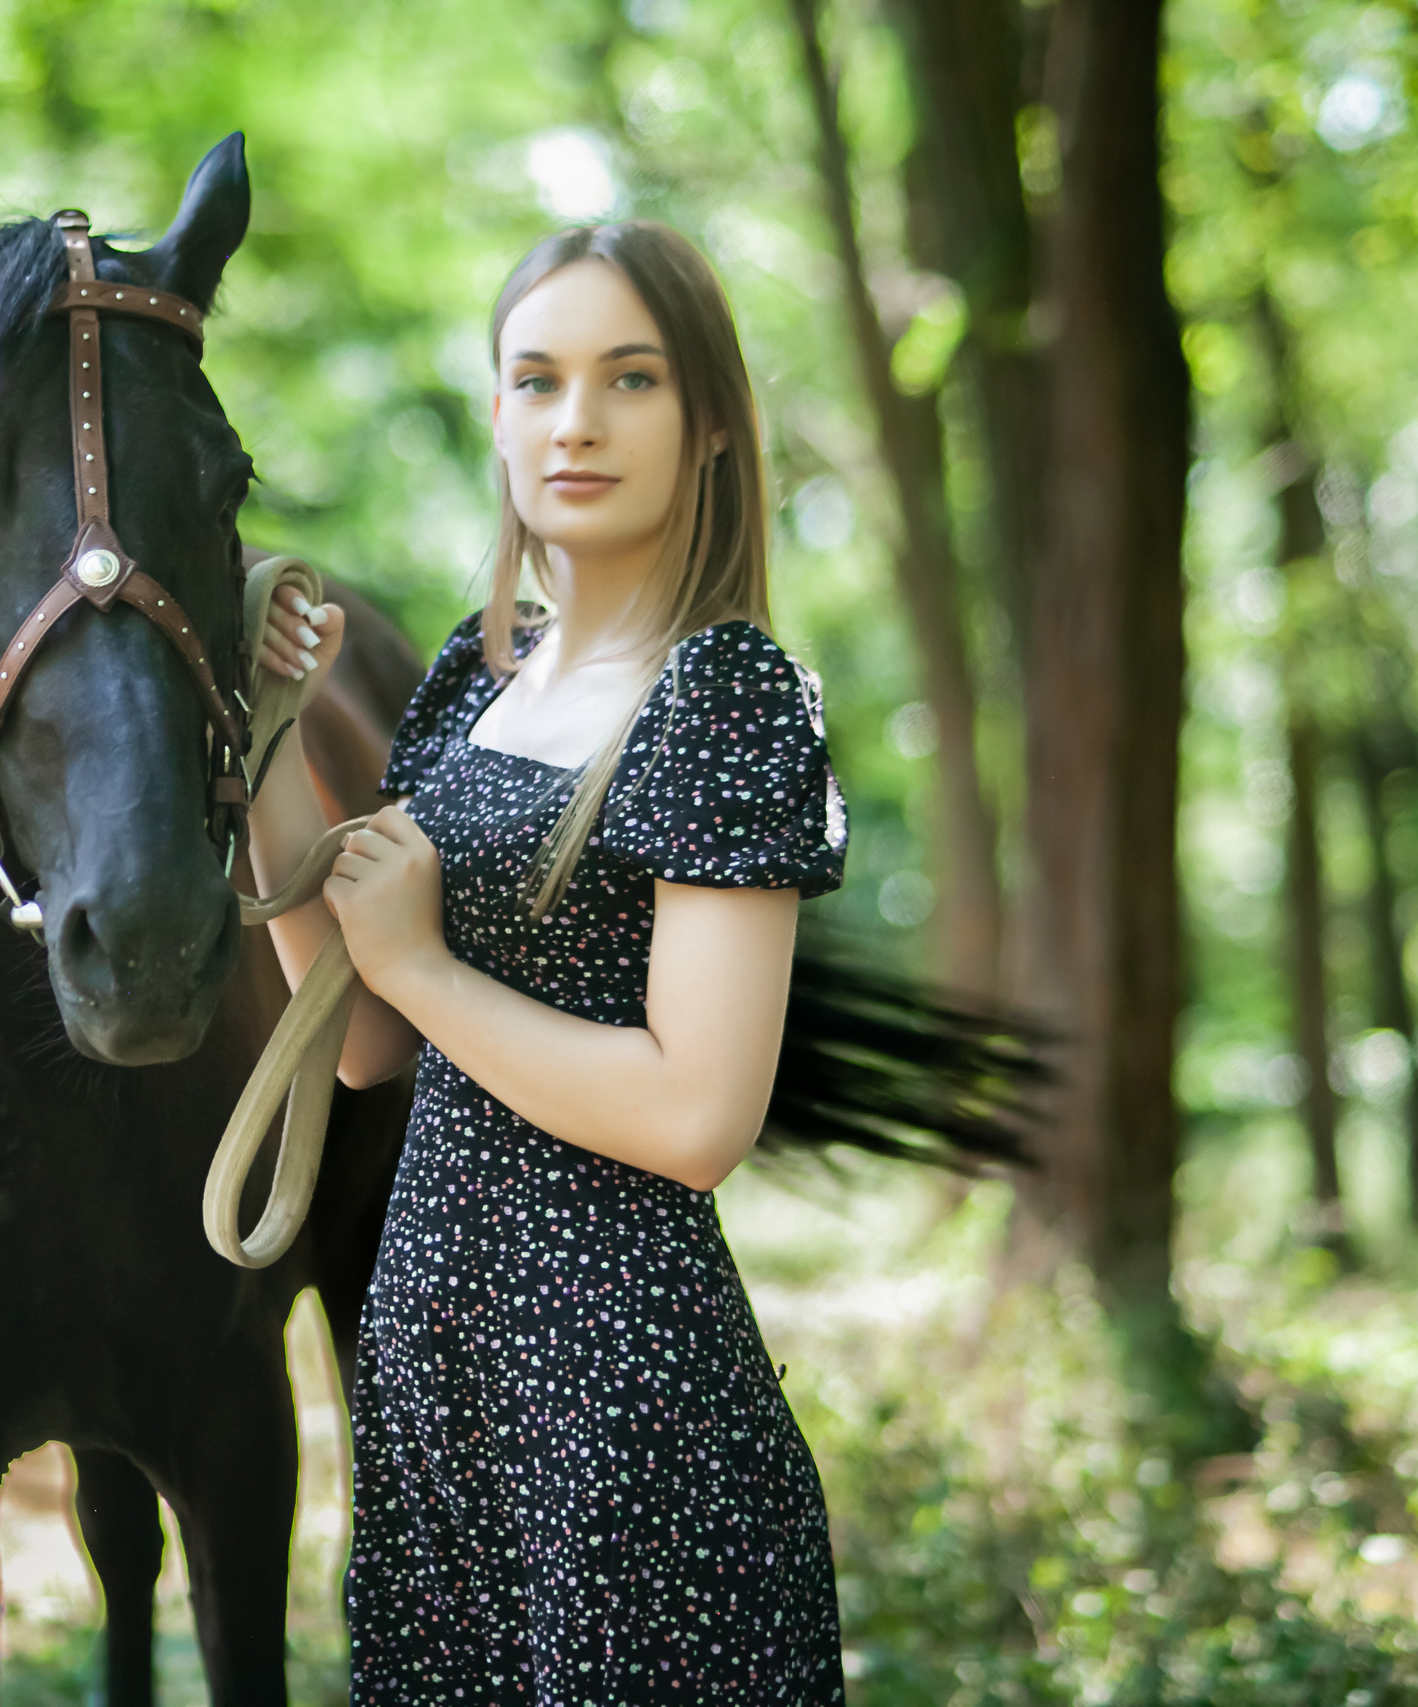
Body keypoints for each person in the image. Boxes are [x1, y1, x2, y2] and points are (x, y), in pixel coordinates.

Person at [250, 223, 848, 1701]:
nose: (575, 420)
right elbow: (360, 1042)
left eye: (628, 379)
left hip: (622, 1405)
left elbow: (697, 1118)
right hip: (438, 1388)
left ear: (708, 424)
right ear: (499, 414)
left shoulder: (727, 690)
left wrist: (425, 967)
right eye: (538, 379)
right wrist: (268, 742)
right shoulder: (474, 676)